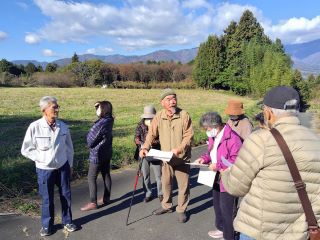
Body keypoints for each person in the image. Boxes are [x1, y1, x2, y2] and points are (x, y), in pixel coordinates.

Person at [220, 86, 320, 240]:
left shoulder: (261, 140)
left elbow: (235, 187)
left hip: (260, 231)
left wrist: (226, 172)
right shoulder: (316, 141)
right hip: (302, 232)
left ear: (268, 113)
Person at [21, 96, 77, 237]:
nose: (57, 109)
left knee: (66, 195)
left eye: (57, 106)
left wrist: (70, 165)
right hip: (44, 170)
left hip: (62, 167)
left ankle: (68, 221)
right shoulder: (35, 127)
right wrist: (42, 158)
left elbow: (69, 148)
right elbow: (26, 149)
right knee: (47, 198)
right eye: (54, 107)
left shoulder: (63, 126)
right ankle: (47, 226)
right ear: (44, 109)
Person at [139, 88, 194, 223]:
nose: (172, 102)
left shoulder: (184, 115)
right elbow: (151, 133)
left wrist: (180, 149)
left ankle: (181, 210)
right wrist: (145, 147)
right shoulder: (159, 116)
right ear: (162, 102)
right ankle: (166, 206)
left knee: (183, 186)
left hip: (182, 158)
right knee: (166, 184)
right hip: (166, 158)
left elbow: (189, 135)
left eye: (174, 98)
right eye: (168, 99)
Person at [194, 112, 242, 240]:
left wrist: (218, 166)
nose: (207, 131)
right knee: (218, 205)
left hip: (229, 179)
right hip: (216, 177)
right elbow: (211, 152)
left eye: (208, 128)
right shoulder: (213, 136)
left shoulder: (233, 138)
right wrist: (203, 159)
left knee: (228, 210)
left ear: (216, 125)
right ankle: (222, 229)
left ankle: (229, 236)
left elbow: (236, 160)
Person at [81, 101, 114, 211]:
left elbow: (90, 141)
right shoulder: (110, 119)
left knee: (91, 177)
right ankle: (106, 198)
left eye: (98, 108)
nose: (96, 110)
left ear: (104, 109)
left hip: (97, 154)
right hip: (107, 151)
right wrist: (97, 106)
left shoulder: (101, 123)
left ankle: (93, 202)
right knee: (106, 174)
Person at [134, 105, 163, 203]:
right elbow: (136, 136)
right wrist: (137, 141)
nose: (149, 119)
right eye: (147, 117)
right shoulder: (140, 125)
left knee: (159, 175)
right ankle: (148, 193)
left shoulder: (159, 125)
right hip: (143, 152)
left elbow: (163, 139)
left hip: (156, 152)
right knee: (145, 175)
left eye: (151, 117)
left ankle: (161, 193)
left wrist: (155, 142)